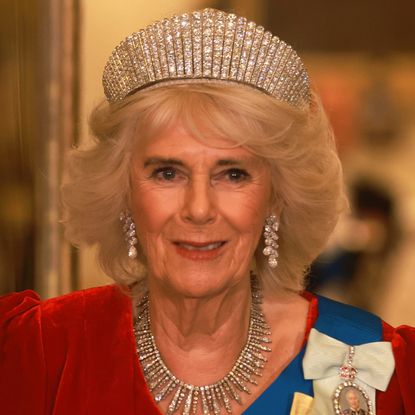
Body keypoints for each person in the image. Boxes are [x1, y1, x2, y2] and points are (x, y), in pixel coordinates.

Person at [0, 8, 414, 415]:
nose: (198, 209)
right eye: (167, 172)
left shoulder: (375, 368)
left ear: (276, 196)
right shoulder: (40, 353)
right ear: (123, 191)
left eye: (233, 174)